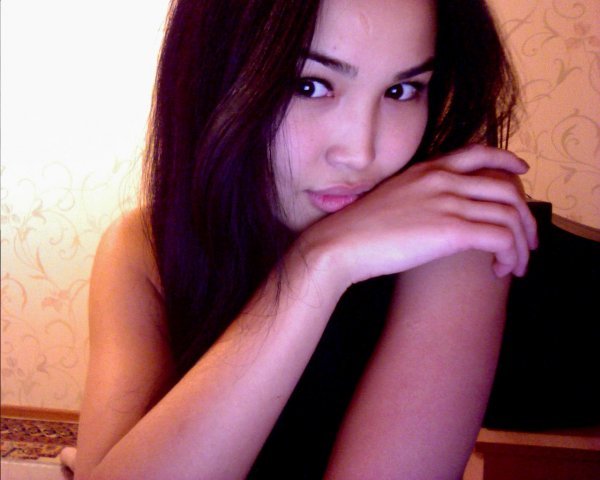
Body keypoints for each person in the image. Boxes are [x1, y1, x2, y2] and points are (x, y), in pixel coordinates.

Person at [66, 0, 538, 478]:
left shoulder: (453, 228)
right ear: (213, 78)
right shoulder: (144, 247)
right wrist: (316, 265)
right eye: (309, 85)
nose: (360, 153)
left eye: (401, 90)